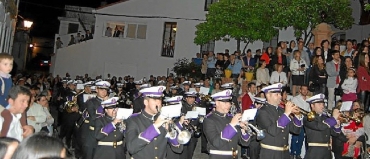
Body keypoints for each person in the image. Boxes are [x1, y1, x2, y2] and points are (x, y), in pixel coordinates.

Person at [125, 86, 184, 159]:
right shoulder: (134, 120)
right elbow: (131, 148)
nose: (158, 102)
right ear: (146, 102)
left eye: (160, 99)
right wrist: (155, 127)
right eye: (155, 99)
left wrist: (170, 131)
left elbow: (178, 149)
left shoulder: (163, 118)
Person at [255, 83, 302, 159]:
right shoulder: (262, 112)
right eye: (277, 94)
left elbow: (296, 130)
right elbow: (273, 131)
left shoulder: (282, 111)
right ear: (268, 95)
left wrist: (297, 116)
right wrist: (286, 114)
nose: (280, 96)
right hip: (270, 154)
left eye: (280, 94)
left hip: (285, 153)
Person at [203, 89, 251, 159]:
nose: (228, 105)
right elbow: (216, 143)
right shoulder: (209, 119)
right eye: (225, 103)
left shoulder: (231, 118)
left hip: (234, 155)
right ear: (217, 103)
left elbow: (245, 143)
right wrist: (231, 125)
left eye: (229, 103)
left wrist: (244, 131)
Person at [0, 53, 33, 139]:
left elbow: (12, 91)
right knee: (8, 116)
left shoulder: (8, 78)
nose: (9, 67)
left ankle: (24, 127)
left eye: (11, 64)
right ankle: (3, 139)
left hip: (7, 101)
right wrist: (7, 105)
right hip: (1, 103)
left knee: (22, 110)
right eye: (5, 64)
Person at [303, 94, 342, 159]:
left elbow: (335, 134)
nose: (322, 106)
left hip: (327, 154)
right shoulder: (308, 117)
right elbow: (320, 127)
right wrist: (333, 119)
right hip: (315, 154)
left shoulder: (326, 118)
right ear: (312, 105)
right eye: (319, 104)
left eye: (323, 104)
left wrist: (336, 125)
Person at [81, 80, 110, 159]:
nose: (104, 92)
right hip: (93, 134)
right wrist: (104, 105)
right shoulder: (91, 102)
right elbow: (93, 117)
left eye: (105, 90)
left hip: (106, 133)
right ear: (96, 90)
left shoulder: (111, 102)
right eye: (101, 89)